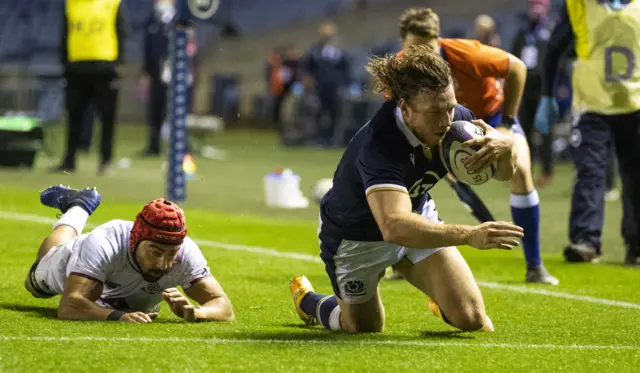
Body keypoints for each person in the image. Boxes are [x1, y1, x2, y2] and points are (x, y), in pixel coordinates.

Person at [289, 45, 524, 333]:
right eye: (435, 112)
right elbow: (394, 227)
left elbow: (503, 174)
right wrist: (469, 235)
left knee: (473, 320)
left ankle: (444, 300)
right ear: (405, 108)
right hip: (356, 238)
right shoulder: (380, 145)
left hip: (413, 214)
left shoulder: (456, 119)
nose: (446, 120)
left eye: (450, 106)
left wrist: (505, 148)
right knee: (362, 327)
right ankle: (310, 301)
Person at [393, 8, 558, 284]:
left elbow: (516, 67)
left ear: (439, 41)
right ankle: (403, 258)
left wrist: (504, 125)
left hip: (490, 117)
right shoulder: (399, 71)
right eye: (413, 50)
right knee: (405, 177)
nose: (421, 57)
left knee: (520, 171)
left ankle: (535, 266)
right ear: (403, 46)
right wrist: (440, 164)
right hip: (439, 129)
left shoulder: (465, 53)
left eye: (428, 49)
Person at [25, 185, 235, 323]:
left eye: (172, 253)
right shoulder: (103, 243)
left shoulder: (186, 253)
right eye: (156, 251)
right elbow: (70, 306)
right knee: (35, 285)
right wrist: (118, 317)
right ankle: (79, 206)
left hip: (132, 297)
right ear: (135, 240)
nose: (163, 263)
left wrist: (196, 312)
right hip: (72, 263)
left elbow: (224, 307)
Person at [534, 0, 640, 265]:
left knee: (637, 176)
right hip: (591, 106)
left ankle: (637, 246)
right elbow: (554, 49)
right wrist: (547, 96)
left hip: (635, 105)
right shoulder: (579, 6)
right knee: (590, 172)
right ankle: (586, 241)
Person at [56, 0, 127, 174]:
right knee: (74, 116)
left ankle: (105, 161)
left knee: (107, 118)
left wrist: (119, 63)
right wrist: (64, 63)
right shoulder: (71, 4)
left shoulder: (113, 3)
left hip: (105, 67)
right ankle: (69, 160)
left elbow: (121, 33)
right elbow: (64, 34)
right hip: (77, 67)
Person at [510, 0, 554, 185]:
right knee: (524, 130)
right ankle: (524, 169)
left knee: (544, 130)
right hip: (525, 86)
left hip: (543, 86)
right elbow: (513, 56)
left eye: (540, 6)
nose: (536, 10)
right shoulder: (522, 32)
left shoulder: (550, 31)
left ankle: (546, 170)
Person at [302, 22, 352, 147]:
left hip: (335, 89)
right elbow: (306, 68)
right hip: (319, 88)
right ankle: (318, 139)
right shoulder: (315, 52)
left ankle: (332, 139)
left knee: (335, 114)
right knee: (317, 114)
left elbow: (346, 71)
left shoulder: (339, 53)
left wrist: (345, 85)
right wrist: (308, 83)